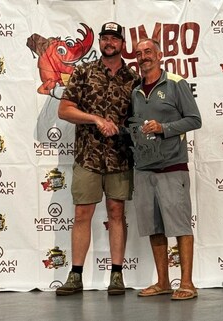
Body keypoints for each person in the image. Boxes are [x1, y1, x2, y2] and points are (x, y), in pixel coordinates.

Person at [55, 22, 140, 296]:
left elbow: (140, 118)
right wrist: (95, 119)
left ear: (122, 44)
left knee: (117, 213)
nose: (109, 42)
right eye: (105, 38)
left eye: (115, 38)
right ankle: (75, 275)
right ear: (100, 42)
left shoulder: (133, 79)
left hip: (120, 157)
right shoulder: (83, 72)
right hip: (87, 156)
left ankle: (117, 275)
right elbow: (64, 110)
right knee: (82, 214)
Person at [129, 38, 202, 300]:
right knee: (154, 226)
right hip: (144, 169)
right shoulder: (135, 89)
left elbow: (195, 119)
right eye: (139, 53)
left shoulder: (175, 82)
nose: (143, 56)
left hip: (172, 166)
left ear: (159, 55)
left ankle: (187, 283)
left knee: (180, 226)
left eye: (148, 51)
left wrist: (164, 129)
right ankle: (162, 282)